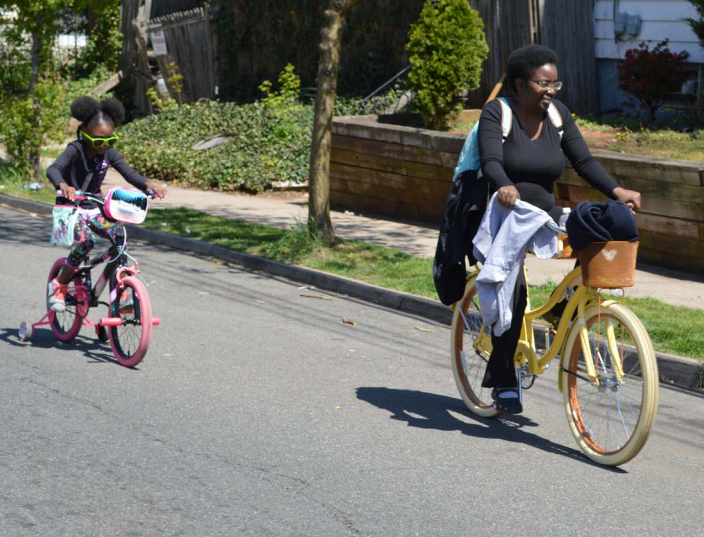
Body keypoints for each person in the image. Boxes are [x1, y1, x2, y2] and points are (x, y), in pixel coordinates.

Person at [476, 44, 641, 414]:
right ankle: (504, 379)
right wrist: (504, 185)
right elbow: (490, 160)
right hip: (507, 213)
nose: (551, 90)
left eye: (555, 84)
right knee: (512, 294)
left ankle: (560, 308)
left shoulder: (557, 115)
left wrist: (617, 192)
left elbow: (583, 161)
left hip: (544, 213)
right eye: (543, 84)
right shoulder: (497, 112)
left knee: (606, 225)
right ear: (521, 83)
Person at [46, 96, 168, 312]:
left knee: (120, 239)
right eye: (98, 141)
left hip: (95, 207)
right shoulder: (75, 149)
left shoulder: (109, 152)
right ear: (85, 136)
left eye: (110, 140)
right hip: (73, 209)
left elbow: (128, 172)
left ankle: (122, 291)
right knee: (85, 243)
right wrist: (63, 185)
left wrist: (148, 185)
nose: (104, 145)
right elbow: (53, 169)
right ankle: (59, 284)